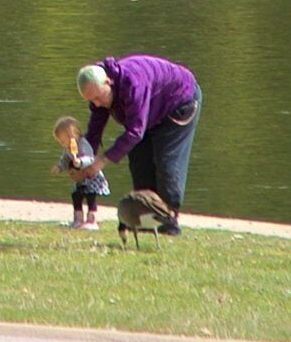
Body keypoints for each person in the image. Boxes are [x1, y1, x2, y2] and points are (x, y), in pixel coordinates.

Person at [77, 51, 201, 231]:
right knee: (139, 162)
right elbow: (95, 130)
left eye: (98, 98)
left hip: (179, 103)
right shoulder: (99, 91)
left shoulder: (132, 83)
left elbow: (135, 133)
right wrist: (85, 158)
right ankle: (146, 220)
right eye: (91, 100)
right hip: (150, 109)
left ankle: (169, 224)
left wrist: (102, 161)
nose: (96, 104)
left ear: (108, 82)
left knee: (166, 164)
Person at [53, 115, 110, 230]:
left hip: (91, 176)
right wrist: (60, 166)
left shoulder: (83, 144)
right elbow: (65, 158)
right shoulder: (68, 148)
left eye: (64, 141)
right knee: (76, 195)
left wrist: (80, 162)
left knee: (90, 196)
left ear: (72, 135)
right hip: (80, 179)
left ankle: (92, 220)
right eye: (61, 143)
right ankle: (78, 219)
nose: (64, 145)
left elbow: (90, 158)